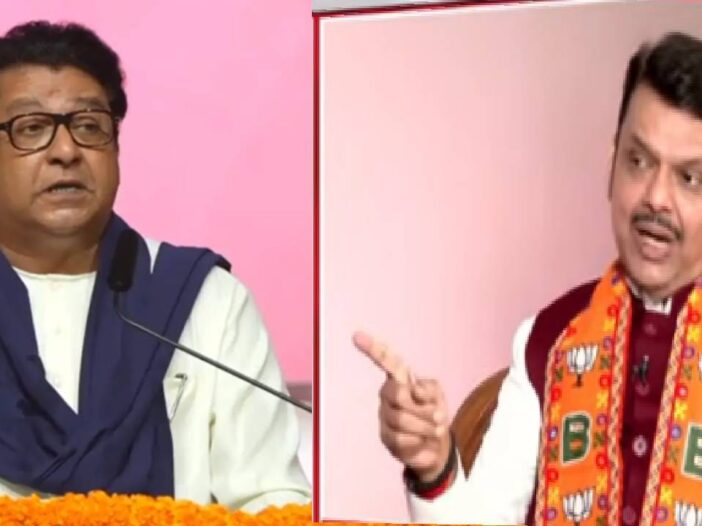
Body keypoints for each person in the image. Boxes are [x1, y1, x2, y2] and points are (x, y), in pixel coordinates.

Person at [355, 31, 702, 525]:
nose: (656, 198)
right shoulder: (549, 341)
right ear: (611, 166)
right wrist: (434, 466)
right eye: (639, 161)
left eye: (689, 178)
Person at [0, 21, 310, 512]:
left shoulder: (201, 299)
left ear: (116, 147)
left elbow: (271, 502)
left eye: (89, 126)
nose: (66, 151)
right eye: (31, 128)